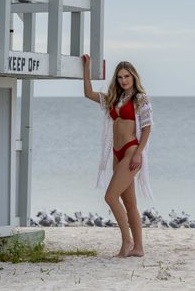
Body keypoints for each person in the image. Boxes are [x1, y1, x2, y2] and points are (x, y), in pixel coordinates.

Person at [81, 54, 154, 257]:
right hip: (117, 153)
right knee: (130, 203)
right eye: (120, 77)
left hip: (131, 151)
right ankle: (138, 248)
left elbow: (147, 128)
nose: (123, 80)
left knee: (110, 196)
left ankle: (127, 241)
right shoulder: (114, 98)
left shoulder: (140, 99)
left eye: (127, 76)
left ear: (133, 77)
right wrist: (86, 69)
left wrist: (139, 154)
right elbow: (88, 93)